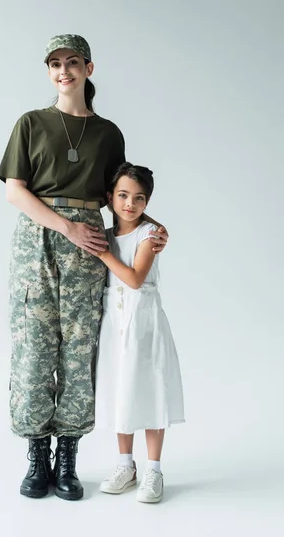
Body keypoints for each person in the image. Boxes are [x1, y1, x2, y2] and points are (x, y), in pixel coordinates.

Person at [0, 34, 169, 501]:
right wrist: (65, 228)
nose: (63, 71)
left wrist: (152, 227)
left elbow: (121, 200)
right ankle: (37, 456)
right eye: (54, 63)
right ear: (48, 71)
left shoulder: (108, 133)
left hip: (90, 244)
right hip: (37, 240)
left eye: (72, 62)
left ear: (89, 69)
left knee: (78, 352)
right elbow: (16, 190)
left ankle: (67, 457)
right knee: (33, 349)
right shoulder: (31, 123)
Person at [95, 162, 185, 504]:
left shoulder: (150, 235)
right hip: (114, 321)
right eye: (122, 195)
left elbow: (134, 279)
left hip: (143, 322)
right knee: (122, 388)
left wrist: (103, 254)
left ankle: (154, 470)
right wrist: (103, 247)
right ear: (110, 197)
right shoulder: (105, 234)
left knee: (149, 388)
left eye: (139, 197)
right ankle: (125, 465)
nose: (129, 203)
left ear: (147, 202)